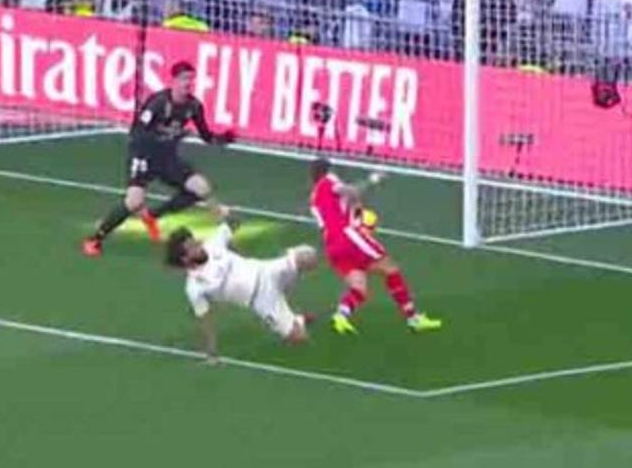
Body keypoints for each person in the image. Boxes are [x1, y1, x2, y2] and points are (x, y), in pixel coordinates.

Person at [82, 61, 235, 256]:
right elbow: (138, 131)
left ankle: (153, 214)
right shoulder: (158, 103)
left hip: (166, 158)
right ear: (174, 81)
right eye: (184, 79)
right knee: (134, 201)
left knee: (201, 188)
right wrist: (165, 137)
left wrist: (222, 139)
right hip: (144, 154)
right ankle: (95, 238)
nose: (188, 83)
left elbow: (206, 135)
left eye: (191, 79)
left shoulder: (194, 106)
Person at [308, 158, 442, 336]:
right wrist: (373, 179)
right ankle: (413, 319)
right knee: (391, 269)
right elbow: (351, 191)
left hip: (331, 245)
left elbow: (336, 209)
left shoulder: (313, 198)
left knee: (359, 288)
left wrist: (354, 207)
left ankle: (341, 315)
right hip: (347, 236)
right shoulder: (328, 181)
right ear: (328, 170)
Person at [166, 207, 316, 362]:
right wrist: (211, 351)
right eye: (192, 248)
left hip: (266, 271)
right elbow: (206, 318)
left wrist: (226, 215)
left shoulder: (213, 244)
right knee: (299, 338)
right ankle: (297, 320)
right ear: (185, 259)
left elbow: (234, 224)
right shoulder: (195, 287)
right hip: (261, 300)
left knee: (309, 256)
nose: (198, 246)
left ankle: (288, 268)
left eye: (194, 242)